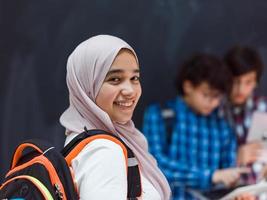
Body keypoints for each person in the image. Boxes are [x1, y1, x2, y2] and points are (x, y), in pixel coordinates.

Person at [59, 35, 171, 200]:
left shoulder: (80, 137)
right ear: (87, 86)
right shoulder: (103, 151)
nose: (130, 91)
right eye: (115, 79)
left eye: (134, 78)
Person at [143, 53, 249, 199]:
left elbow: (228, 172)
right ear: (188, 86)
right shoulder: (160, 115)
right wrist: (210, 176)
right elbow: (154, 166)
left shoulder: (222, 123)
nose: (213, 102)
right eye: (206, 95)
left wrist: (237, 186)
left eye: (217, 97)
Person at [223, 46, 267, 169]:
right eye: (236, 81)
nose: (241, 90)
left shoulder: (263, 107)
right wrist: (236, 157)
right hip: (230, 181)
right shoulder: (213, 109)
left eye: (248, 82)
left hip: (259, 183)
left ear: (256, 82)